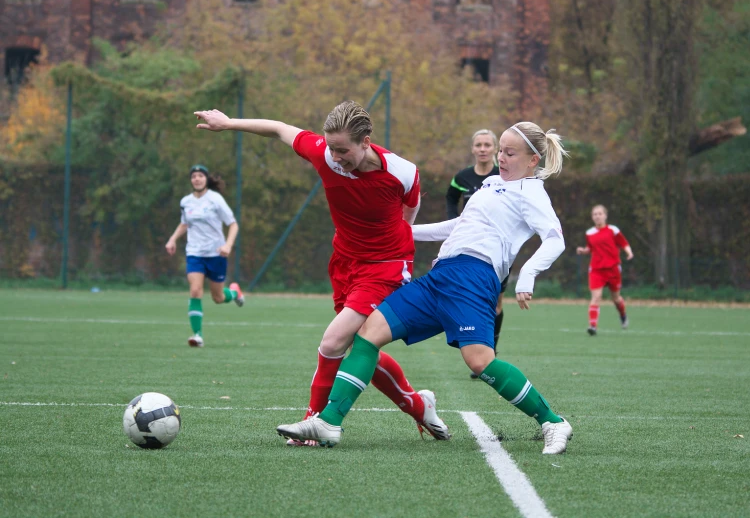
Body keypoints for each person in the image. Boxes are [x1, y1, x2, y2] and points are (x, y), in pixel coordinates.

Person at [277, 120, 574, 455]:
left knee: (479, 362)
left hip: (474, 280)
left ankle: (553, 422)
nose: (501, 158)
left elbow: (554, 238)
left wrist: (528, 274)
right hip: (440, 276)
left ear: (533, 160)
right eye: (500, 151)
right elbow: (459, 225)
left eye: (509, 153)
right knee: (368, 332)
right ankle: (329, 421)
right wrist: (399, 231)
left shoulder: (532, 192)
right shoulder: (492, 184)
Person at [194, 102, 450, 445]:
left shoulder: (403, 171)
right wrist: (228, 123)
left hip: (386, 266)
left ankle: (313, 422)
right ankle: (419, 405)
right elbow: (280, 128)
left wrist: (397, 243)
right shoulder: (324, 154)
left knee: (333, 341)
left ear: (366, 141)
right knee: (359, 347)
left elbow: (411, 206)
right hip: (345, 263)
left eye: (343, 150)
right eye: (331, 147)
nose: (335, 156)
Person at [446, 129, 507, 379]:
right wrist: (455, 222)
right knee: (474, 299)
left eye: (487, 145)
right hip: (470, 247)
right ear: (473, 149)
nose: (483, 149)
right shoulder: (462, 177)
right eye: (478, 145)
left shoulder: (503, 176)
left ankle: (491, 351)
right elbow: (451, 198)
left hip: (498, 249)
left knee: (496, 302)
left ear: (495, 149)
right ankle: (482, 353)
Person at [165, 165, 244, 348]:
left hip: (216, 254)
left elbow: (233, 224)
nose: (197, 179)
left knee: (218, 297)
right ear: (191, 180)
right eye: (194, 176)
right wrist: (172, 239)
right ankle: (197, 336)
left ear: (206, 179)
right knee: (195, 290)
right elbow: (184, 224)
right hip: (194, 253)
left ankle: (234, 292)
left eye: (200, 176)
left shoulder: (215, 199)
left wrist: (228, 245)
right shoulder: (186, 201)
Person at [576, 204, 634, 336]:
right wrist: (583, 250)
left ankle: (623, 315)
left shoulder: (613, 230)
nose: (597, 216)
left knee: (616, 298)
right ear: (592, 217)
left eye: (600, 213)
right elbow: (590, 248)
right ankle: (593, 326)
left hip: (613, 269)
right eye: (595, 214)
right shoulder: (589, 233)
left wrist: (629, 252)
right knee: (596, 298)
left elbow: (623, 243)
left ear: (605, 215)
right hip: (596, 270)